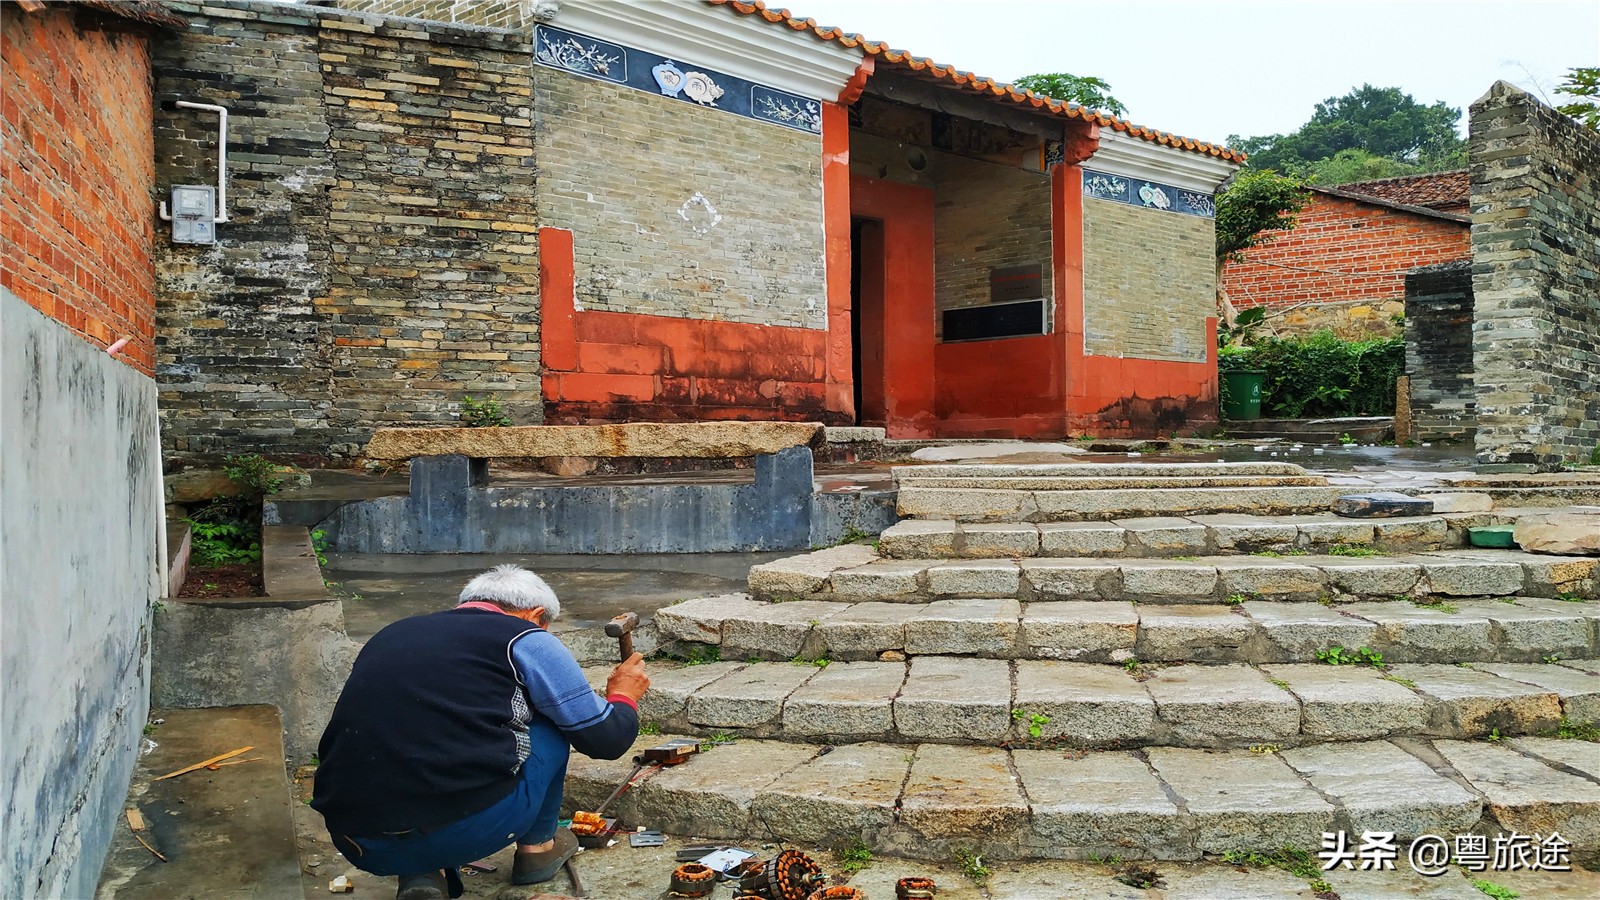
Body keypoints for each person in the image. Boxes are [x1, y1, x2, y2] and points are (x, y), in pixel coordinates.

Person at [312, 564, 649, 900]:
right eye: (546, 626)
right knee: (551, 722)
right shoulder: (526, 638)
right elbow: (606, 739)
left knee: (409, 729)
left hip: (356, 837)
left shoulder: (391, 634)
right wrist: (623, 694)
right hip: (465, 831)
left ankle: (421, 872)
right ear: (536, 615)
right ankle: (538, 850)